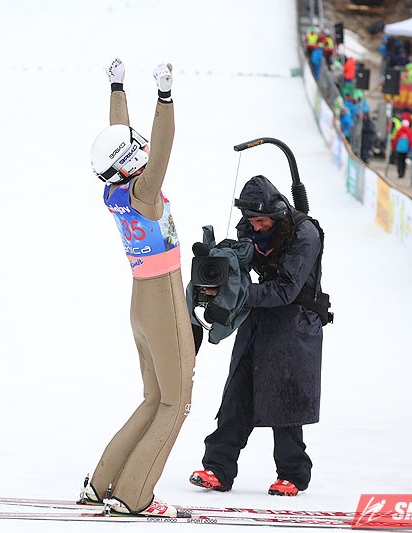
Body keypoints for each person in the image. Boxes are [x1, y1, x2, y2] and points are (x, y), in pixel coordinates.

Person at [82, 58, 195, 518]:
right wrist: (165, 97)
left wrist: (117, 87)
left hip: (140, 300)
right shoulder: (145, 191)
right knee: (176, 402)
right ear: (130, 160)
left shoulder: (116, 190)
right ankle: (135, 495)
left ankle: (102, 484)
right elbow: (162, 147)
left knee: (154, 398)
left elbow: (116, 137)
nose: (142, 146)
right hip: (164, 298)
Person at [189, 175, 325, 497]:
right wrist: (221, 267)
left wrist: (237, 294)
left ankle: (293, 474)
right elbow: (242, 264)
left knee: (285, 401)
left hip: (294, 324)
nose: (256, 226)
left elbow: (286, 289)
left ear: (276, 213)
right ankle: (218, 469)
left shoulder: (305, 234)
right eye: (251, 221)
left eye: (261, 221)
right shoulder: (250, 228)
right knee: (237, 395)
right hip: (258, 321)